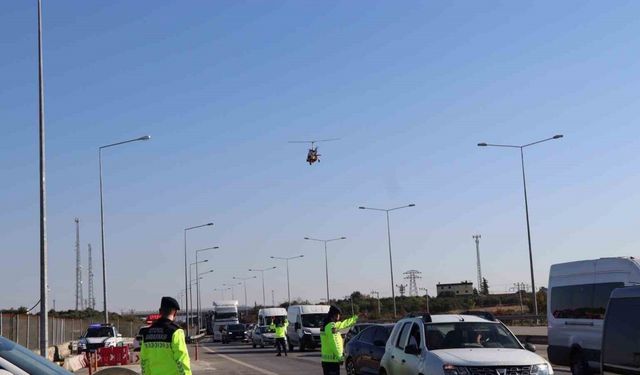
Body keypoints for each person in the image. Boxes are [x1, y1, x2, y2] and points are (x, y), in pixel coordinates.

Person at [140, 297, 192, 375]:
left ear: (160, 311)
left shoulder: (147, 332)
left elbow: (144, 361)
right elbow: (182, 360)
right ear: (175, 313)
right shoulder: (176, 332)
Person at [320, 305, 358, 375]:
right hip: (332, 361)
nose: (339, 316)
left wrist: (355, 318)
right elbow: (334, 342)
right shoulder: (331, 327)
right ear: (334, 315)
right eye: (338, 314)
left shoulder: (325, 324)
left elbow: (343, 324)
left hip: (326, 360)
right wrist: (340, 357)